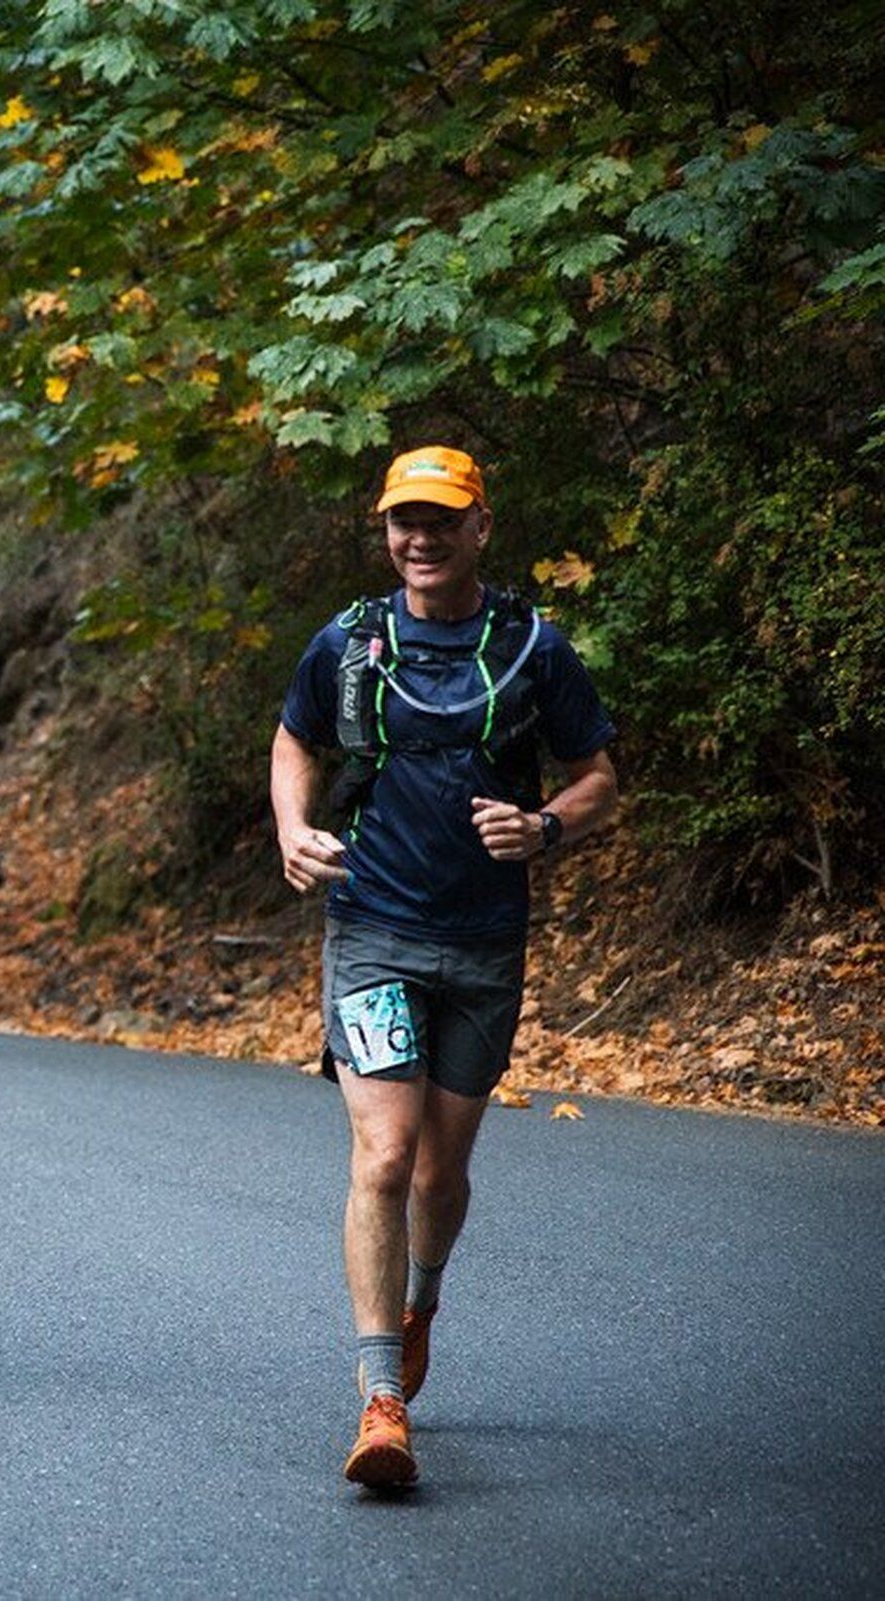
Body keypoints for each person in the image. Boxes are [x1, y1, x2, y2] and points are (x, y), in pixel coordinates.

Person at [270, 445, 618, 1489]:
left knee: (439, 1168)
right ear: (385, 531)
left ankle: (421, 1297)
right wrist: (292, 826)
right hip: (372, 927)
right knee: (383, 1155)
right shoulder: (348, 641)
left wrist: (547, 824)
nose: (417, 537)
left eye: (439, 519)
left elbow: (598, 773)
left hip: (481, 943)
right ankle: (381, 1399)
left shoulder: (531, 648)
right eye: (400, 521)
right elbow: (294, 741)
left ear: (480, 527)